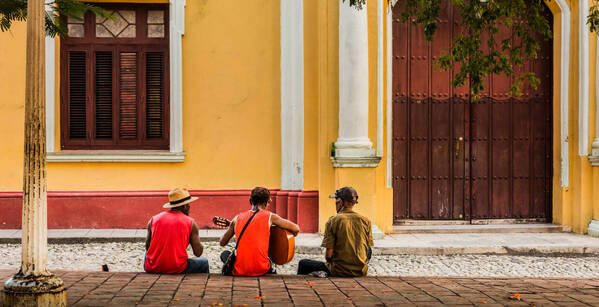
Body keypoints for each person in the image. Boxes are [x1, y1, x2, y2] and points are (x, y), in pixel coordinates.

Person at [219, 187, 300, 276]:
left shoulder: (237, 218)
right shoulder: (270, 217)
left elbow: (222, 242)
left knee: (225, 254)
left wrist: (232, 226)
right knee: (269, 258)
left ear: (250, 201)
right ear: (268, 202)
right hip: (261, 269)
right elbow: (296, 229)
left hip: (240, 270)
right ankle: (272, 271)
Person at [297, 187, 373, 277]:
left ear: (340, 202)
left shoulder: (333, 221)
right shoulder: (366, 221)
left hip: (338, 271)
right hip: (361, 272)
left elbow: (328, 256)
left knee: (303, 263)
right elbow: (368, 250)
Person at [144, 188, 209, 274]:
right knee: (204, 262)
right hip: (177, 268)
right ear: (185, 206)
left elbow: (148, 248)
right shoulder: (190, 222)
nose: (190, 207)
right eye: (189, 204)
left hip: (152, 267)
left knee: (146, 255)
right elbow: (198, 253)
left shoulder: (153, 219)